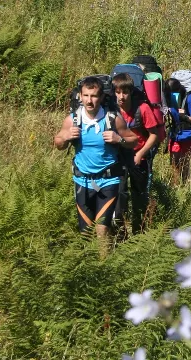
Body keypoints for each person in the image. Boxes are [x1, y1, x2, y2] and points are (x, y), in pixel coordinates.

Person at [53, 76, 137, 253]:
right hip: (82, 182)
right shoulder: (73, 120)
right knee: (85, 233)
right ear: (80, 97)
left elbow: (133, 140)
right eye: (86, 96)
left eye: (94, 96)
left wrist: (118, 139)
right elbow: (58, 142)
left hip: (108, 181)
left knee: (102, 229)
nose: (90, 101)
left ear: (101, 97)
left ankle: (104, 269)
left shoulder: (112, 119)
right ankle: (89, 269)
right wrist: (66, 137)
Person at [112, 73, 165, 232]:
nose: (121, 97)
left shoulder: (142, 108)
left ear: (131, 92)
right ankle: (121, 232)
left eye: (125, 92)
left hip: (138, 156)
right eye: (118, 92)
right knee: (119, 195)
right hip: (118, 156)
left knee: (139, 196)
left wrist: (140, 154)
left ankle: (139, 232)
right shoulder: (111, 110)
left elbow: (154, 135)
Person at [165, 78, 191, 184]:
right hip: (176, 133)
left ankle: (186, 183)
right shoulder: (168, 98)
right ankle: (176, 184)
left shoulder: (189, 98)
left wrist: (185, 116)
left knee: (184, 161)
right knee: (174, 160)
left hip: (189, 134)